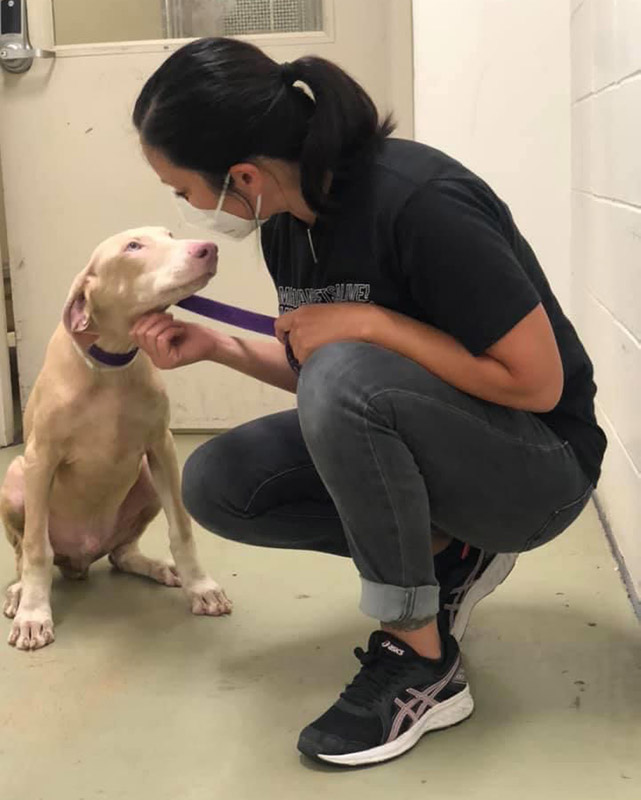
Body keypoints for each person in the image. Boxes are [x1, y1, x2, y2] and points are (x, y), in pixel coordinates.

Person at [130, 37, 606, 767]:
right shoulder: (287, 225)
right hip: (442, 441)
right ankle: (449, 555)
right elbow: (336, 390)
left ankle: (421, 663)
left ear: (244, 175)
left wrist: (377, 324)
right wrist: (218, 347)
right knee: (219, 484)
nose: (191, 210)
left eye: (183, 192)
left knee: (348, 373)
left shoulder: (418, 202)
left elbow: (534, 384)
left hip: (537, 473)